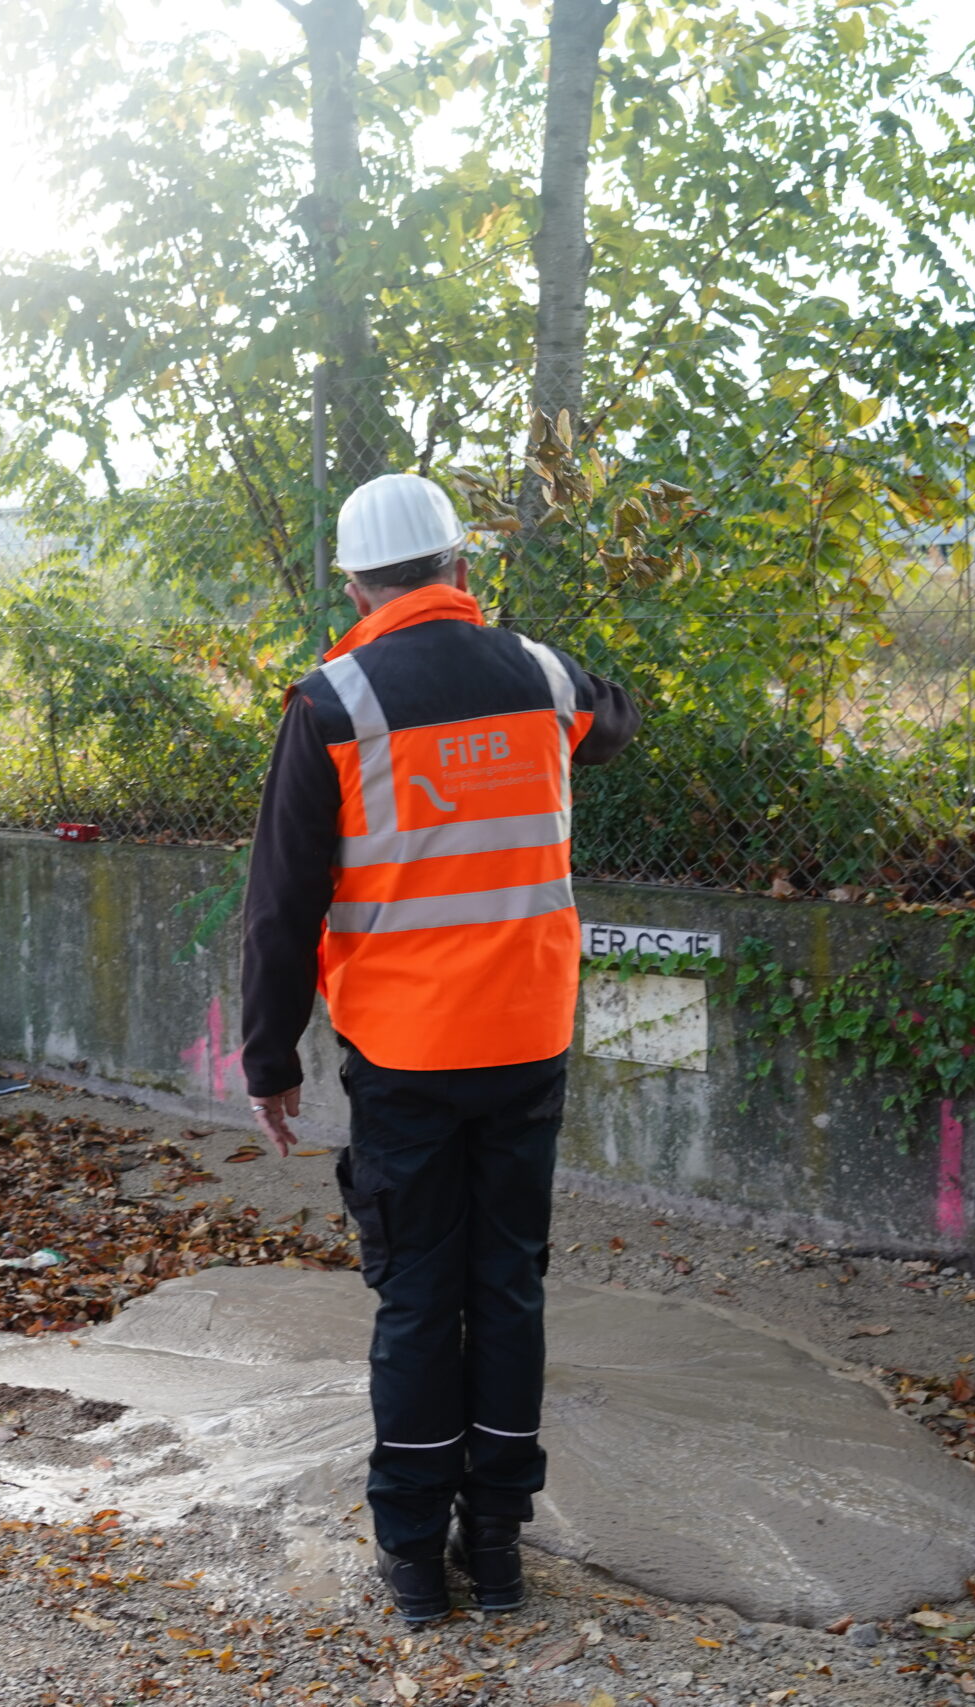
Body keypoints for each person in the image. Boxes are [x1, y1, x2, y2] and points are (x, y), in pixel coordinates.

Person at [240, 471, 641, 1623]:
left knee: (419, 1298)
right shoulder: (541, 676)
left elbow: (281, 904)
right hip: (526, 1041)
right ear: (462, 569)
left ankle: (415, 1559)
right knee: (505, 1286)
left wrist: (270, 1061)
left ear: (354, 586)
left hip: (408, 1056)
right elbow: (614, 719)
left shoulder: (332, 704)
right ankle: (498, 1547)